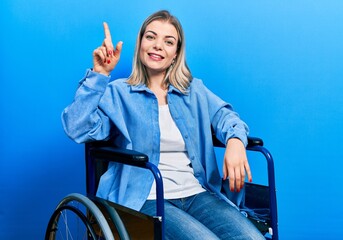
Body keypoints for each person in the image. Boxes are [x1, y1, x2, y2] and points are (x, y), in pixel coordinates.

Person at [62, 10, 264, 240]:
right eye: (151, 37)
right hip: (144, 197)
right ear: (140, 45)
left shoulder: (194, 91)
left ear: (176, 54)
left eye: (168, 42)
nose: (158, 45)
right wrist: (99, 75)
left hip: (197, 193)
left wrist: (236, 141)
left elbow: (227, 117)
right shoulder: (118, 93)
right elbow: (76, 128)